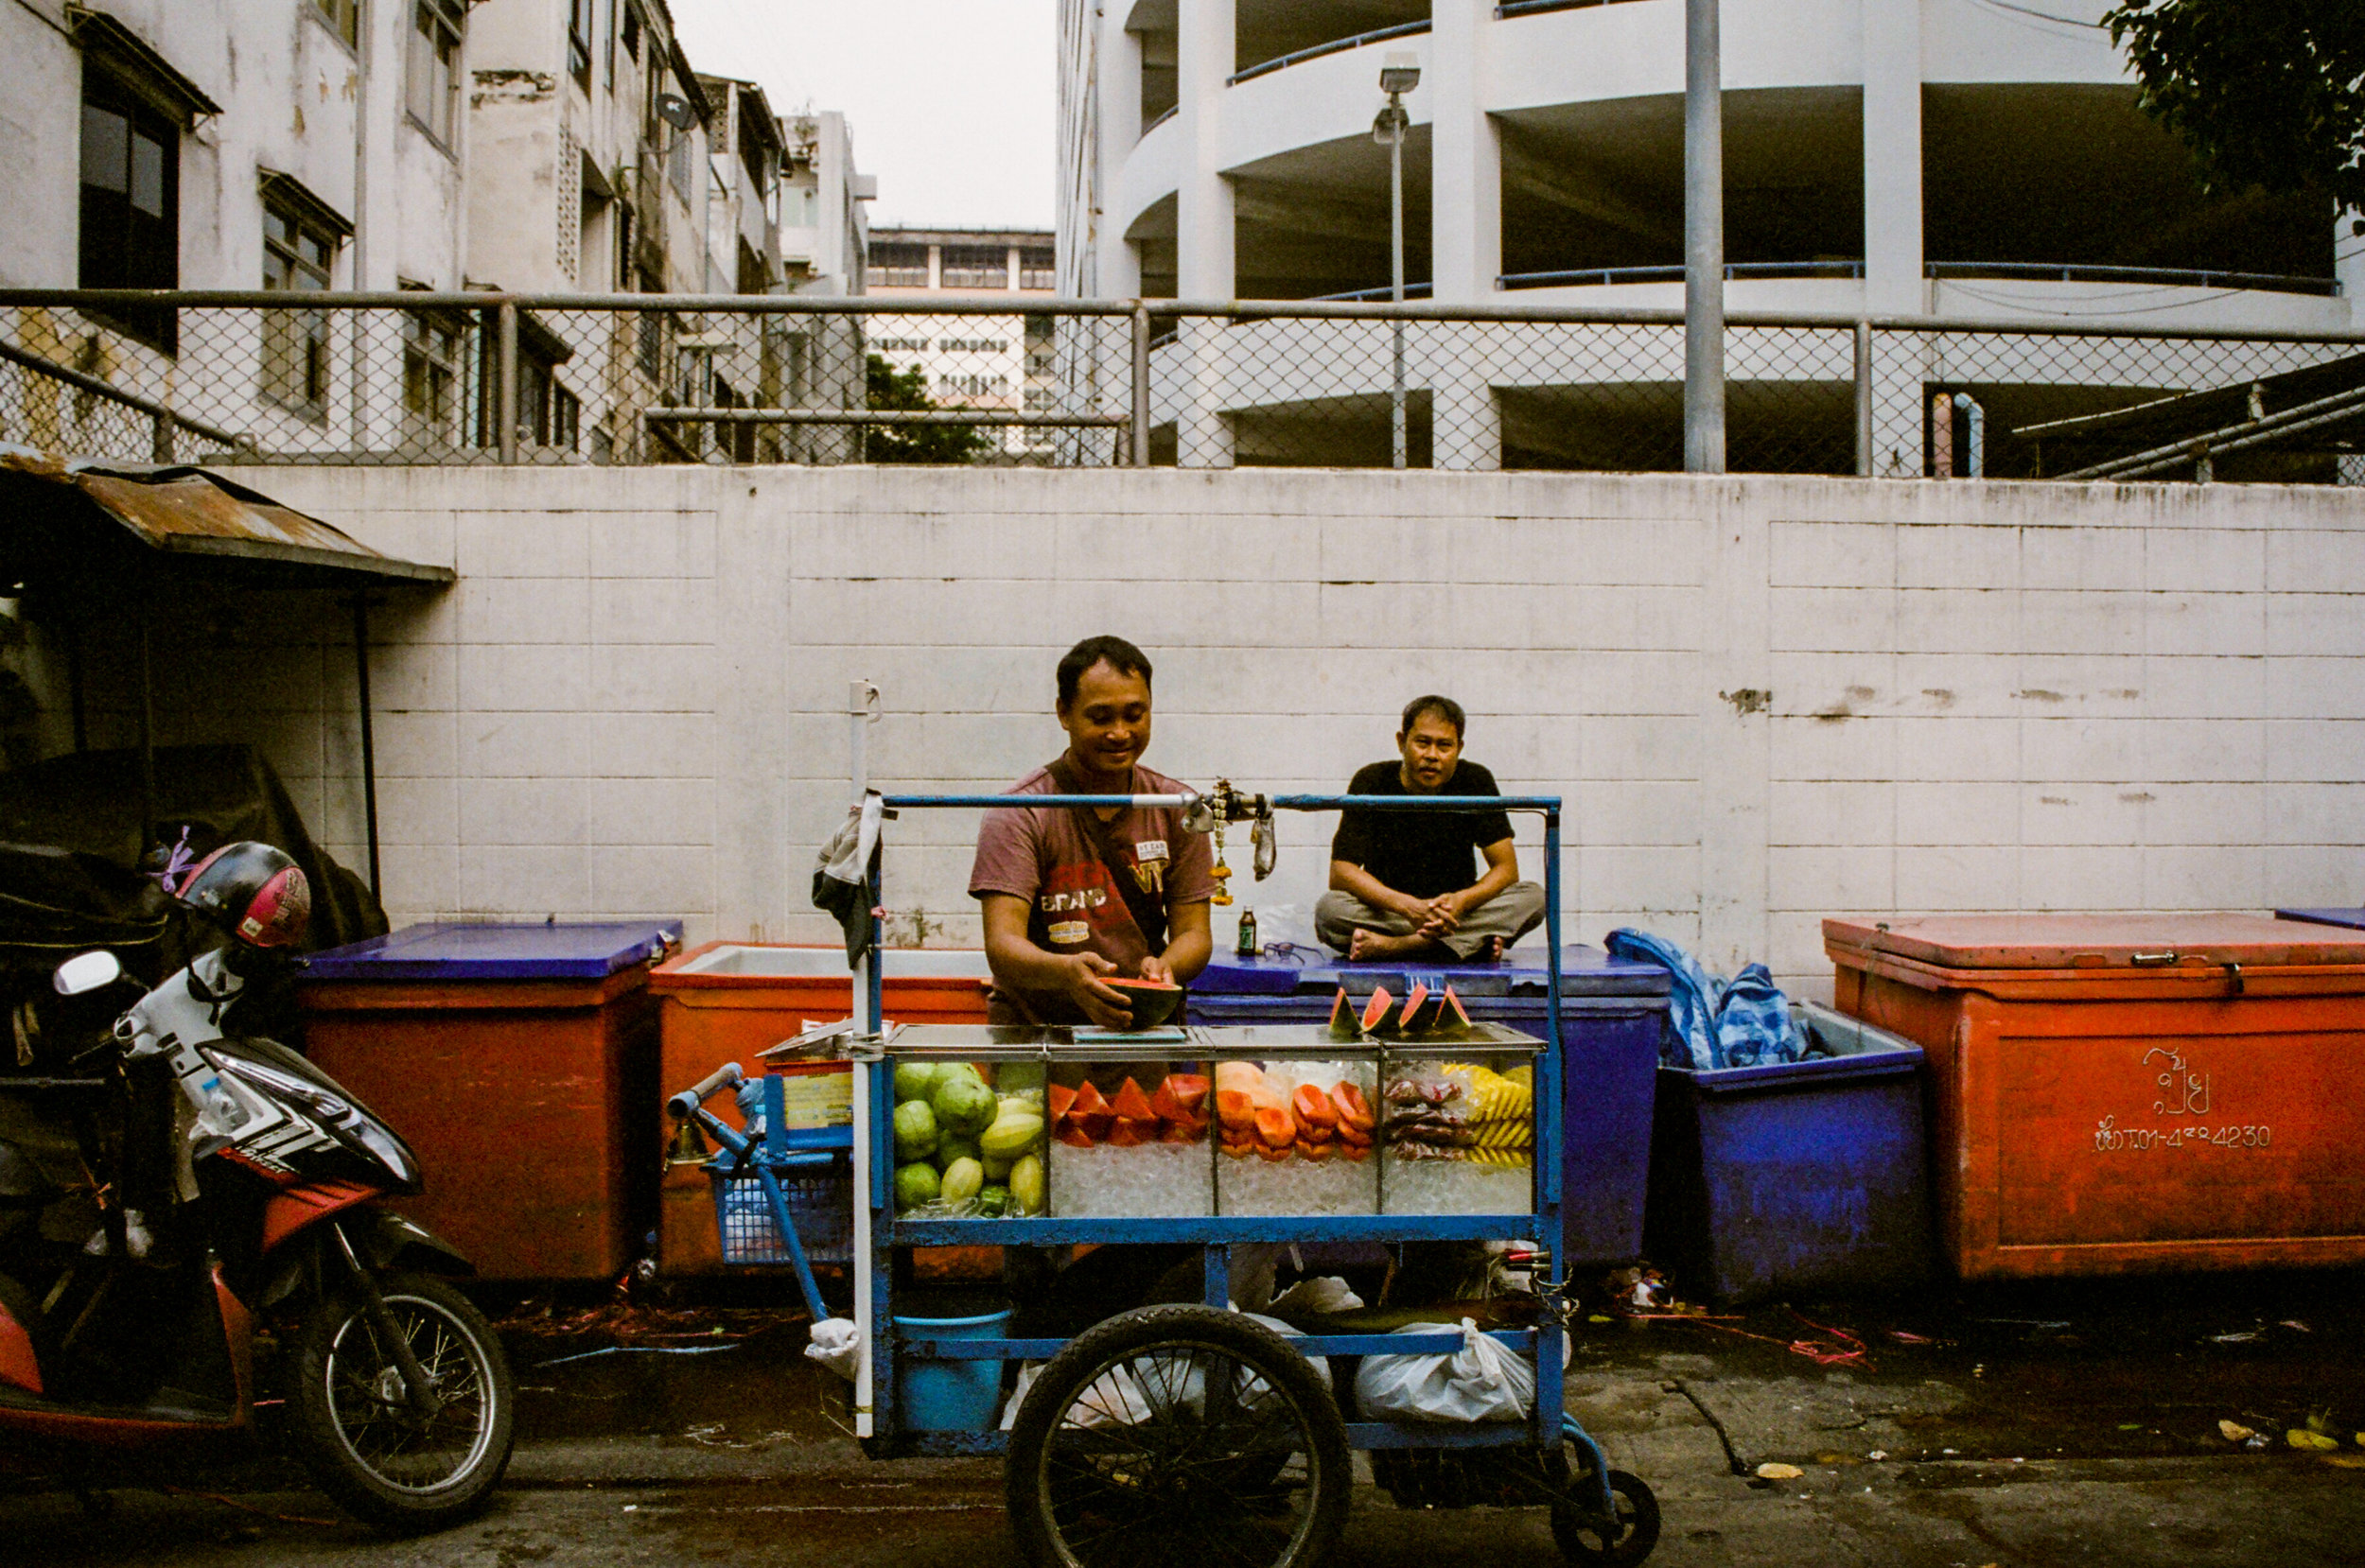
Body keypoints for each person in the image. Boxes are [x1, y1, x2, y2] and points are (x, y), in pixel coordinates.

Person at [970, 636, 1215, 1026]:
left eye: (1135, 715)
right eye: (1101, 718)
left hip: (1142, 1028)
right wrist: (1065, 972)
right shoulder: (1021, 812)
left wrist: (1166, 967)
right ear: (1064, 714)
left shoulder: (1178, 808)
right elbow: (1002, 944)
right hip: (1038, 1032)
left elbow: (1195, 933)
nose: (1120, 733)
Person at [1317, 695, 1545, 963]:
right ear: (1402, 742)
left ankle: (1397, 947)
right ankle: (1467, 944)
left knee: (1535, 898)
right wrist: (1411, 908)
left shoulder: (1476, 781)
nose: (1432, 755)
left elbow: (1507, 870)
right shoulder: (1371, 781)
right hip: (1393, 912)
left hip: (1457, 914)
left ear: (1459, 748)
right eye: (1422, 743)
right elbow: (1342, 873)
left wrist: (1460, 902)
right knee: (1328, 910)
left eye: (1444, 746)